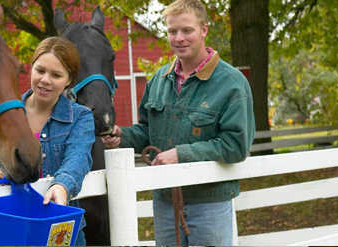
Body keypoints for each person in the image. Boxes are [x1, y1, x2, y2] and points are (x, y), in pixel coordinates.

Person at [101, 0, 255, 245]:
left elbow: (236, 145)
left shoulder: (232, 83)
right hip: (165, 201)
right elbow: (147, 131)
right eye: (172, 31)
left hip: (209, 202)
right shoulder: (158, 80)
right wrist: (123, 136)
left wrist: (181, 154)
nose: (179, 38)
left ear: (204, 29)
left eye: (187, 30)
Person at [0, 37, 95, 246]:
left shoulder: (81, 117)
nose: (45, 80)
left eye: (56, 75)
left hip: (57, 227)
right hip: (11, 225)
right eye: (40, 70)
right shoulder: (3, 114)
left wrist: (62, 186)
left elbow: (78, 158)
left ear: (69, 80)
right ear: (32, 67)